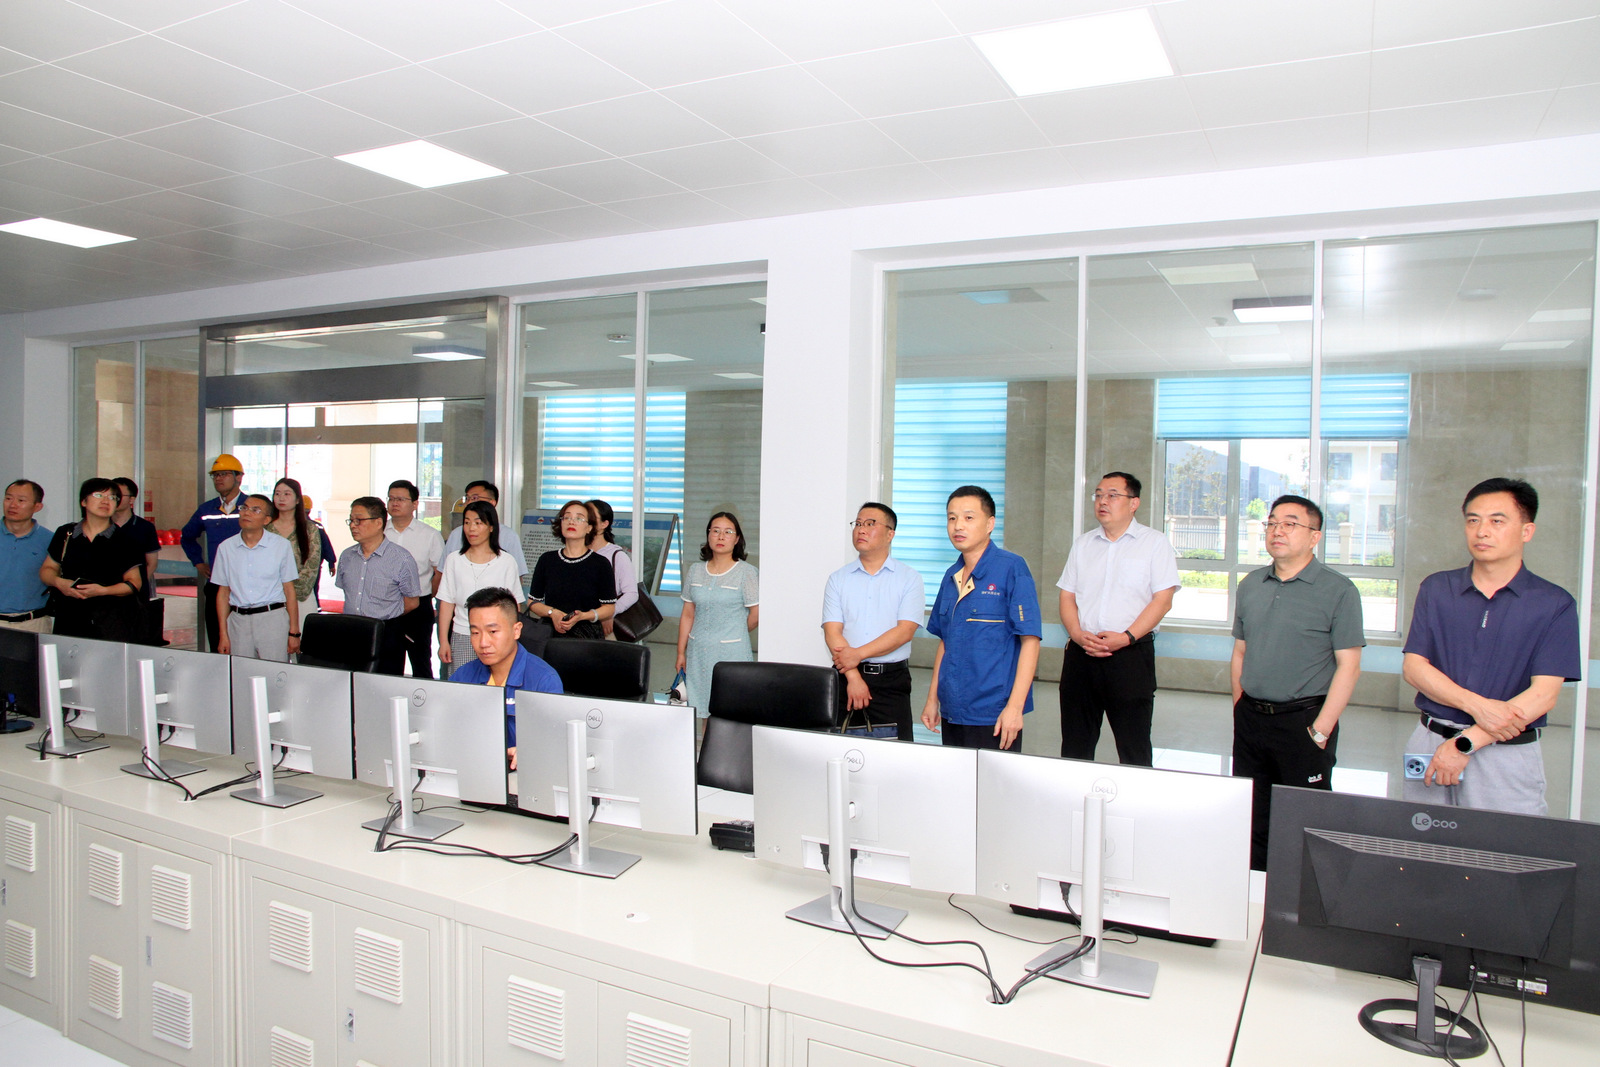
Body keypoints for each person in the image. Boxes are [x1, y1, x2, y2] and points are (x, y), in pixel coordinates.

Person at [1402, 478, 1581, 816]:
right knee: (1419, 841)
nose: (1482, 531)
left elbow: (1543, 695)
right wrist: (1479, 706)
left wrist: (1465, 743)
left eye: (1497, 521)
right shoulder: (1436, 588)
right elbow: (1414, 668)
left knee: (1505, 845)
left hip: (1504, 752)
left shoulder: (1554, 603)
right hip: (1429, 742)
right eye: (1473, 520)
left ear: (1527, 531)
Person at [1231, 494, 1364, 871]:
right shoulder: (1251, 584)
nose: (1277, 531)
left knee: (1305, 819)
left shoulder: (1339, 590)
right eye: (1272, 523)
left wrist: (1321, 729)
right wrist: (1240, 708)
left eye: (1289, 524)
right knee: (1252, 814)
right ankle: (1255, 890)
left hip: (1304, 723)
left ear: (1314, 536)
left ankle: (1303, 897)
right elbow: (1240, 652)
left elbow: (1349, 666)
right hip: (1252, 720)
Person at [1056, 472, 1180, 766]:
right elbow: (1067, 596)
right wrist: (1076, 634)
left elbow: (1163, 600)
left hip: (1130, 656)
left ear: (1133, 503)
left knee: (1134, 746)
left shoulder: (1154, 543)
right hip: (1082, 653)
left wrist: (1126, 637)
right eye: (1098, 495)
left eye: (1112, 495)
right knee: (1075, 745)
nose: (1103, 501)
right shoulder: (1083, 544)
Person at [921, 486, 1041, 751]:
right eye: (952, 518)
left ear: (990, 524)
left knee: (993, 778)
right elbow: (945, 642)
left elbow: (1030, 641)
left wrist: (1015, 708)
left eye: (968, 517)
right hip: (953, 709)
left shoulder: (1012, 568)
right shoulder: (951, 575)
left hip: (994, 713)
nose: (958, 526)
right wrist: (933, 699)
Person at [822, 503, 924, 740]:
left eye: (870, 524)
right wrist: (853, 676)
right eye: (858, 524)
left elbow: (904, 631)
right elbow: (832, 632)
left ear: (890, 534)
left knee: (895, 754)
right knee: (843, 751)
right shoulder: (838, 579)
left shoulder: (909, 578)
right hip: (846, 679)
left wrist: (857, 654)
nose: (861, 529)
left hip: (891, 681)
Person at [448, 586, 561, 771]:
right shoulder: (463, 676)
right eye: (475, 633)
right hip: (473, 770)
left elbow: (555, 743)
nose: (483, 643)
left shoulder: (544, 680)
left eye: (493, 632)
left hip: (524, 775)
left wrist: (532, 750)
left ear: (516, 630)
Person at [39, 479, 147, 643]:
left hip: (111, 623)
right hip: (70, 618)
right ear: (84, 501)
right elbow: (47, 569)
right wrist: (59, 583)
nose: (105, 501)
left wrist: (102, 591)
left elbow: (134, 583)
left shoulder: (126, 540)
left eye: (112, 497)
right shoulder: (66, 534)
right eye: (98, 495)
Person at [676, 511, 759, 713]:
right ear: (708, 535)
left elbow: (756, 615)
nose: (721, 537)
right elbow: (688, 614)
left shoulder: (747, 572)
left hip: (732, 653)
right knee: (703, 709)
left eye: (728, 532)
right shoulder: (695, 570)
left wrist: (734, 630)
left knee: (730, 711)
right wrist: (680, 652)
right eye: (715, 531)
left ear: (737, 539)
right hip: (698, 653)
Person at [436, 500, 524, 678]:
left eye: (478, 523)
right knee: (463, 685)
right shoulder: (454, 560)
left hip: (496, 637)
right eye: (467, 523)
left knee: (495, 684)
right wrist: (444, 641)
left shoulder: (506, 561)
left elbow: (514, 606)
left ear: (491, 527)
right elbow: (446, 602)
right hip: (463, 634)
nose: (471, 529)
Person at [334, 496, 422, 675]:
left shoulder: (401, 559)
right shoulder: (347, 556)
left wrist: (384, 614)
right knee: (351, 683)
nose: (353, 525)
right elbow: (346, 591)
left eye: (359, 520)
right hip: (350, 631)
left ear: (378, 523)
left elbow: (412, 602)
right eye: (351, 520)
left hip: (385, 634)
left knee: (384, 684)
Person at [212, 494, 299, 662]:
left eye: (255, 510)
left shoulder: (281, 546)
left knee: (274, 671)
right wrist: (223, 634)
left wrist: (294, 632)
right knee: (241, 671)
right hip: (238, 621)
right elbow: (223, 593)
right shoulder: (226, 548)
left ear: (267, 520)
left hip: (272, 619)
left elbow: (289, 590)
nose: (247, 513)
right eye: (244, 508)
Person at [180, 454, 246, 652]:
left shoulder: (251, 507)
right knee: (218, 641)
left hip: (246, 584)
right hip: (217, 584)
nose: (218, 479)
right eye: (215, 475)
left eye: (224, 474)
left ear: (239, 477)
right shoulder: (207, 509)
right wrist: (198, 562)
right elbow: (187, 536)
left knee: (245, 643)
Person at [527, 499, 615, 643]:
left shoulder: (600, 563)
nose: (571, 522)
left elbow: (609, 608)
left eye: (579, 518)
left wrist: (583, 616)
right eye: (567, 517)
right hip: (551, 634)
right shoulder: (547, 559)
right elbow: (532, 601)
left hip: (587, 636)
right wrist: (552, 613)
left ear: (589, 528)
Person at [385, 479, 445, 678]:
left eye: (401, 499)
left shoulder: (429, 534)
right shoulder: (380, 531)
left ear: (415, 504)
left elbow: (439, 572)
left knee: (420, 661)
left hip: (419, 607)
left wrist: (428, 595)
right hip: (385, 606)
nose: (395, 503)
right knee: (388, 663)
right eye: (391, 499)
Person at [270, 477, 336, 623]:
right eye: (277, 493)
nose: (281, 498)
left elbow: (312, 565)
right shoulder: (266, 530)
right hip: (271, 600)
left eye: (287, 494)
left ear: (298, 500)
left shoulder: (310, 529)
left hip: (301, 598)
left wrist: (290, 591)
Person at [442, 480, 529, 581]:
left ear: (492, 502)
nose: (469, 502)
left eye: (475, 498)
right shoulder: (456, 534)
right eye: (467, 498)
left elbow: (517, 577)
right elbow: (443, 575)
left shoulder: (509, 536)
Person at [0, 480, 54, 634]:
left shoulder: (50, 540)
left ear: (37, 507)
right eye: (8, 498)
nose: (13, 505)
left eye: (21, 500)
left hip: (34, 623)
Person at [587, 498, 638, 637]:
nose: (586, 520)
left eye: (591, 516)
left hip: (604, 625)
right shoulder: (577, 552)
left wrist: (609, 612)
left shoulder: (617, 555)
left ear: (604, 524)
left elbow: (631, 593)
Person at [110, 477, 162, 605]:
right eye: (112, 495)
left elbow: (151, 563)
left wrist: (137, 584)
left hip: (136, 594)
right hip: (105, 592)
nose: (115, 499)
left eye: (119, 495)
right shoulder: (102, 525)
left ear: (131, 499)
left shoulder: (145, 527)